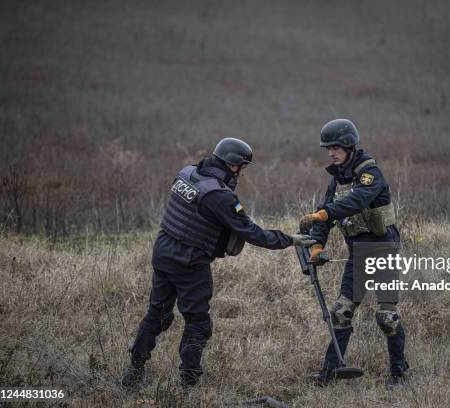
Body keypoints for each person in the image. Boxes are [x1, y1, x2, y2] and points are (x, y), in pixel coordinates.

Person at [122, 137, 314, 388]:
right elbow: (251, 232)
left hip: (162, 252)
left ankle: (134, 371)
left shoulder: (186, 173)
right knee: (198, 324)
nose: (241, 173)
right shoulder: (219, 195)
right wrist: (289, 240)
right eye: (241, 168)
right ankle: (188, 384)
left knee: (157, 313)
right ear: (232, 165)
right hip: (190, 262)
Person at [301, 119, 409, 388]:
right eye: (328, 148)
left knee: (386, 317)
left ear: (349, 145)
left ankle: (399, 373)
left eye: (335, 148)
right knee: (341, 312)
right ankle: (329, 371)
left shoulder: (369, 173)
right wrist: (316, 246)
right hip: (358, 254)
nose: (331, 153)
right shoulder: (336, 180)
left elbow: (357, 200)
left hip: (384, 251)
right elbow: (323, 218)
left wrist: (326, 212)